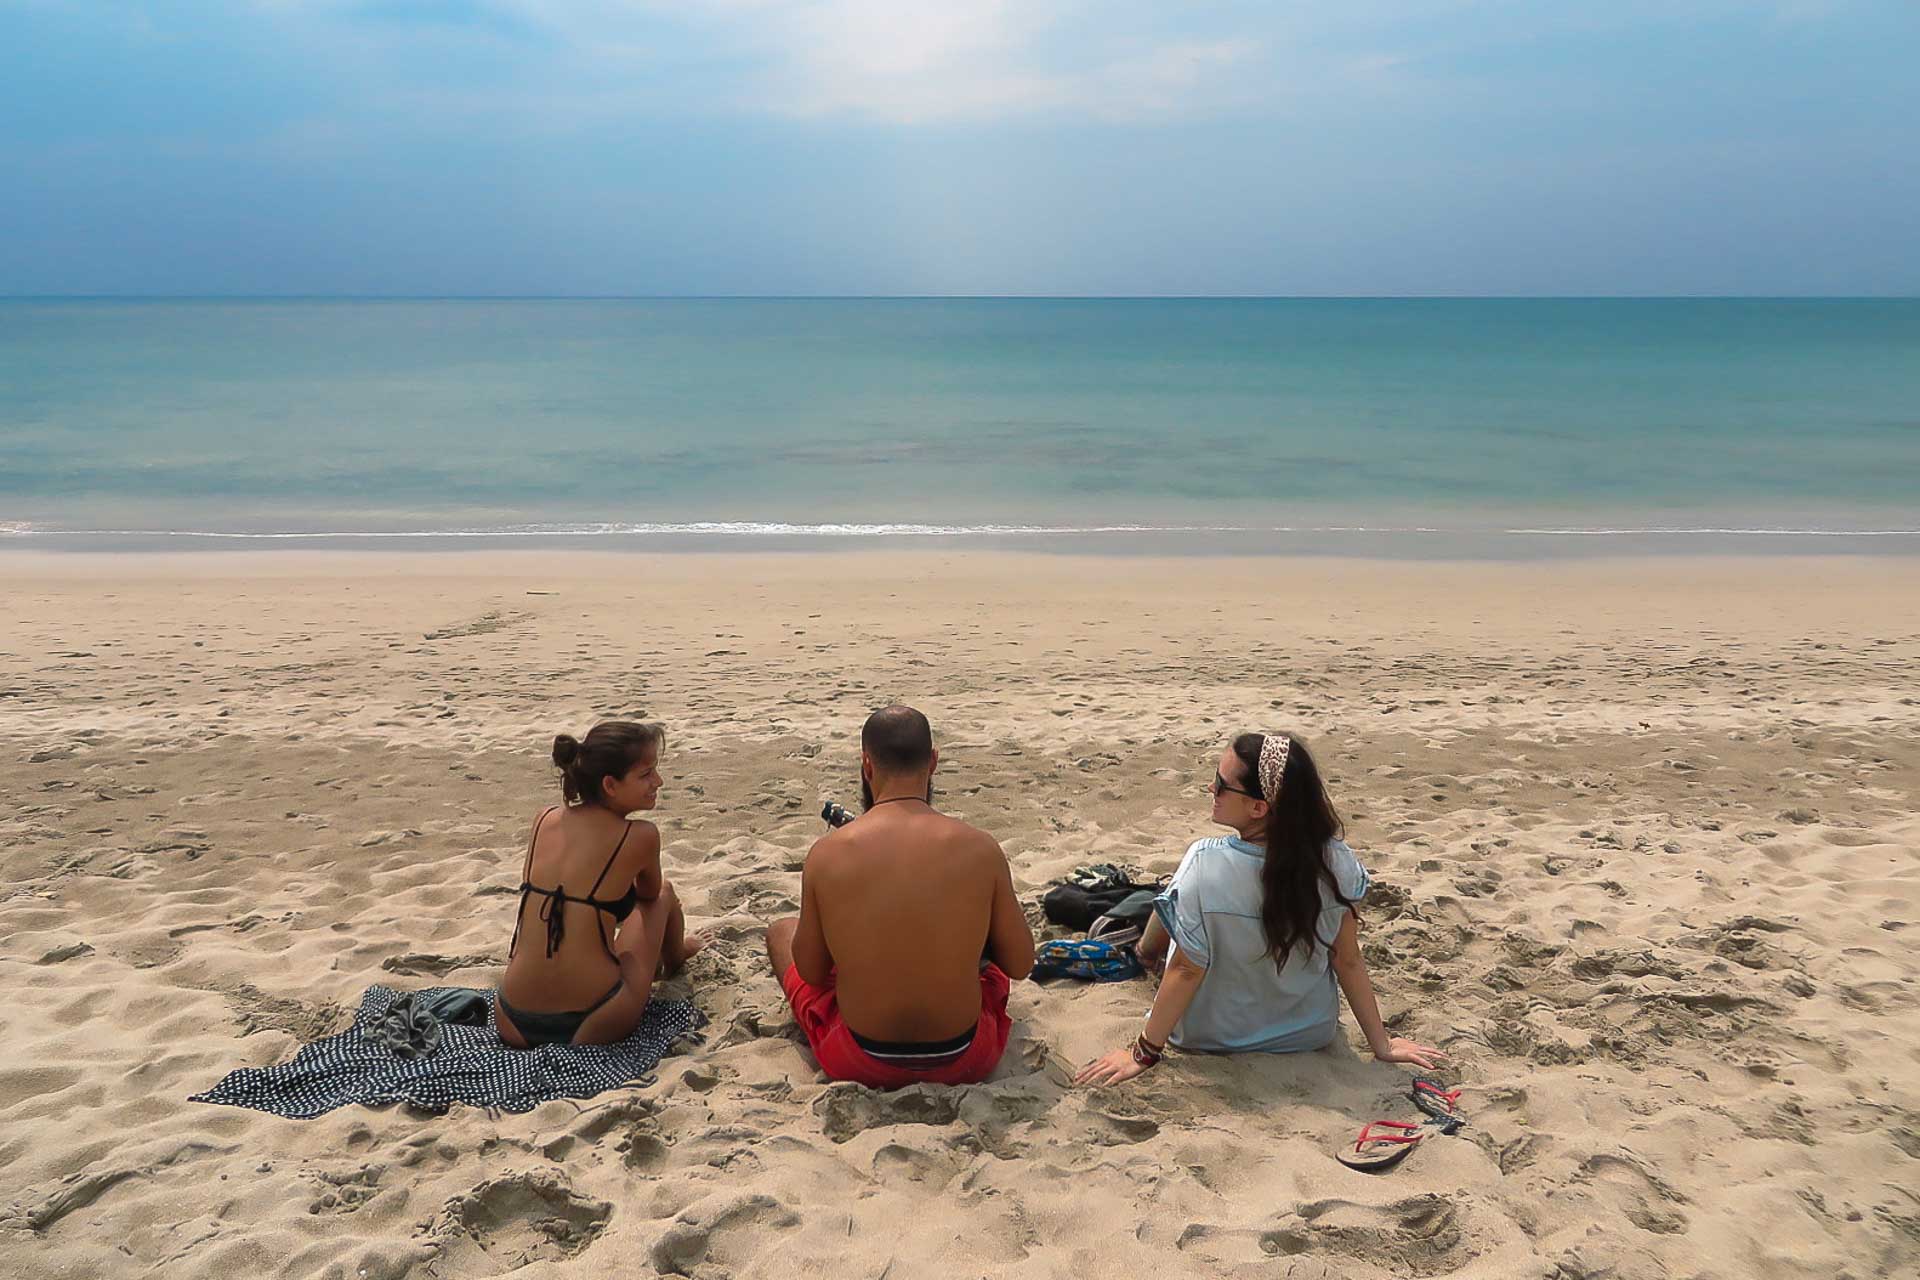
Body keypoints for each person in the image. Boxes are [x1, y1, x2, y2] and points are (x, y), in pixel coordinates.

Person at [1075, 732, 1442, 1085]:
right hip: (1305, 1033)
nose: (1211, 790)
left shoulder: (1205, 861)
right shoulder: (1336, 863)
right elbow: (1346, 959)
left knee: (1173, 897)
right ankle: (1143, 952)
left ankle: (1140, 955)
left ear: (1258, 807)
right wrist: (1383, 1045)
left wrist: (1143, 1053)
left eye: (1220, 784)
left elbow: (1187, 970)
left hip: (1208, 1036)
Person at [766, 705, 1036, 1088]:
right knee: (989, 968)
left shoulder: (827, 854)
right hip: (966, 1057)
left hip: (860, 1060)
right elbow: (1021, 963)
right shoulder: (981, 848)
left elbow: (811, 972)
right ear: (934, 762)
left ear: (866, 764)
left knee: (782, 931)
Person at [495, 720, 704, 1049]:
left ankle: (674, 952)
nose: (658, 782)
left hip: (510, 1017)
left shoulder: (544, 818)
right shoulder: (640, 835)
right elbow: (648, 896)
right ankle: (677, 956)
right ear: (610, 784)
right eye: (646, 774)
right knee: (663, 894)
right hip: (593, 1020)